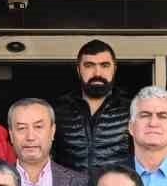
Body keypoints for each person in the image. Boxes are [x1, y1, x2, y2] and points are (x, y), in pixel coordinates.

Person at [55, 39, 134, 174]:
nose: (97, 73)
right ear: (78, 70)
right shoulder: (59, 110)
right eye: (89, 65)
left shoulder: (131, 109)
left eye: (104, 65)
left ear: (114, 69)